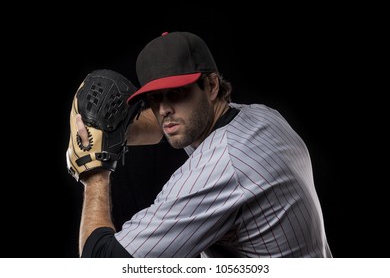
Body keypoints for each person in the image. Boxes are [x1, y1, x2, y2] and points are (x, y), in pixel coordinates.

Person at [74, 31, 332, 258]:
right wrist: (108, 131)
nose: (163, 110)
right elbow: (167, 124)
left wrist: (95, 171)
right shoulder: (264, 116)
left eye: (176, 92)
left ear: (210, 85)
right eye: (154, 98)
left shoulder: (224, 165)